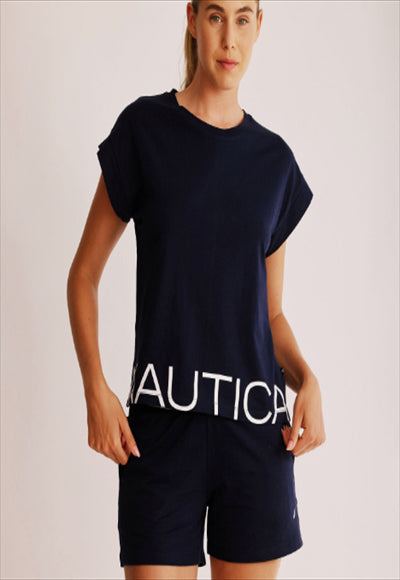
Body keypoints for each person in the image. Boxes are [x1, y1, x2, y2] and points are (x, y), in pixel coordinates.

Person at [67, 1, 326, 579]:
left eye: (242, 18)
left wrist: (307, 379)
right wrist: (95, 390)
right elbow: (83, 274)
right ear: (192, 19)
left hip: (255, 438)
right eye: (215, 17)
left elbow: (271, 315)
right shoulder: (144, 130)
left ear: (258, 25)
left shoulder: (274, 163)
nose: (229, 38)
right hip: (160, 434)